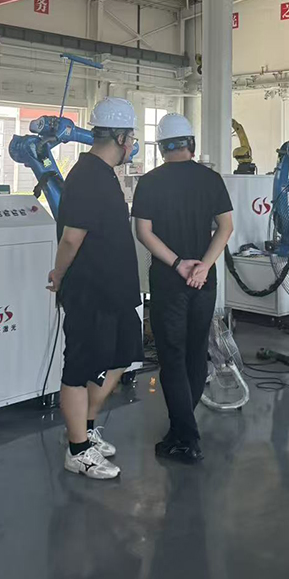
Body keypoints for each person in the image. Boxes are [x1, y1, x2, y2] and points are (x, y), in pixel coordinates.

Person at [48, 97, 143, 479]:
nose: (133, 144)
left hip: (114, 290)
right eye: (131, 137)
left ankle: (84, 429)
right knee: (78, 368)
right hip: (89, 290)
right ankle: (77, 451)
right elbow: (72, 238)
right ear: (120, 138)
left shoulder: (104, 174)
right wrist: (58, 275)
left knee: (122, 356)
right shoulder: (87, 175)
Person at [132, 113, 233, 463]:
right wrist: (203, 265)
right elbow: (225, 227)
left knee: (172, 358)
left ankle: (186, 438)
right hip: (204, 280)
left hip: (169, 280)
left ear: (161, 147)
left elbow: (143, 232)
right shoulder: (211, 179)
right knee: (195, 353)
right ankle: (183, 428)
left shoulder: (149, 182)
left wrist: (177, 264)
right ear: (191, 144)